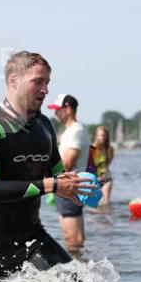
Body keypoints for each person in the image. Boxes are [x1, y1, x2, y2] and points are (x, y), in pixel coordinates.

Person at [0, 51, 96, 282]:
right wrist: (51, 185)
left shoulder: (44, 126)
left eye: (47, 82)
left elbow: (58, 174)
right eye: (39, 82)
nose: (46, 90)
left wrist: (75, 186)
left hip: (31, 238)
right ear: (14, 80)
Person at [48, 93, 91, 249]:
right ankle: (79, 266)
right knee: (74, 237)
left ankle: (76, 269)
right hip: (68, 187)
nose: (55, 113)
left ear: (68, 109)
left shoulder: (75, 131)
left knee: (73, 238)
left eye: (58, 109)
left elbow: (67, 163)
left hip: (70, 187)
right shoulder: (71, 131)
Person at [89, 126, 115, 205]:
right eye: (100, 135)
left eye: (104, 135)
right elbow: (90, 165)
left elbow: (108, 163)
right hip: (96, 177)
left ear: (107, 136)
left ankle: (106, 216)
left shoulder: (110, 149)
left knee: (106, 201)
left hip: (106, 177)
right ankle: (101, 216)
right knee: (98, 203)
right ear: (96, 136)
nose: (102, 137)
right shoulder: (93, 148)